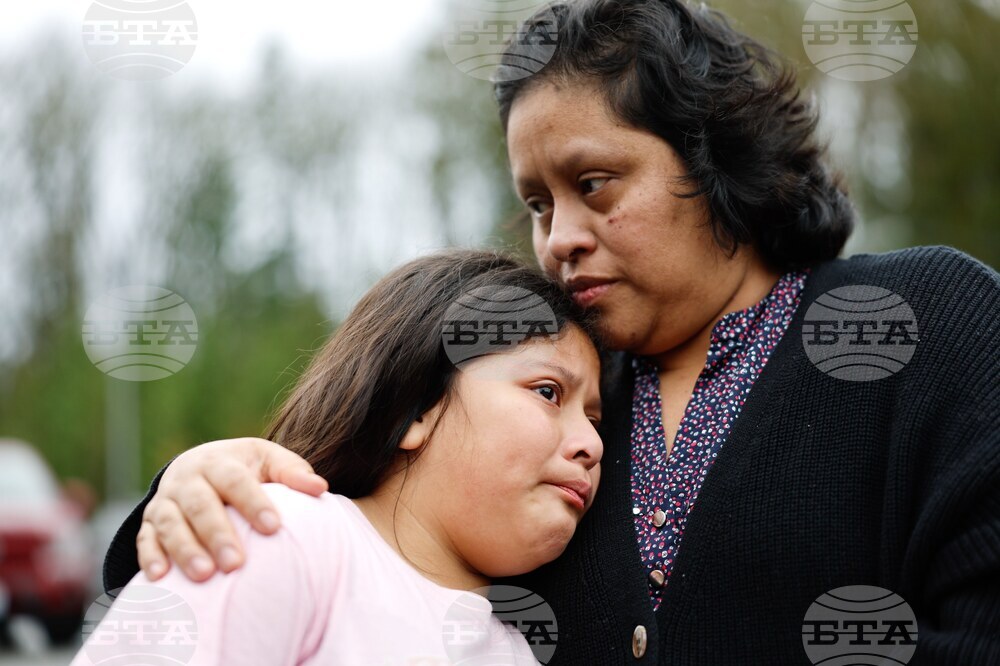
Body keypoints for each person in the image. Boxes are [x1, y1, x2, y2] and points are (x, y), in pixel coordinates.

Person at [102, 1, 1000, 663]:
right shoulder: (539, 392)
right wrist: (187, 487)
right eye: (537, 202)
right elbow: (360, 526)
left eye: (595, 183)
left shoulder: (923, 323)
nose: (558, 237)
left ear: (718, 157)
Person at [75, 249, 604, 664]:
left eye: (596, 420)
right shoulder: (279, 534)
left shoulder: (519, 647)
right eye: (548, 392)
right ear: (418, 404)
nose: (592, 444)